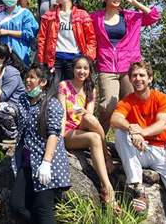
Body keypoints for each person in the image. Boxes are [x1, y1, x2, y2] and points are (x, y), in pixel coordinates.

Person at [90, 0, 160, 134]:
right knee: (107, 106)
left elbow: (154, 16)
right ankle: (99, 141)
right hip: (106, 67)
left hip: (130, 68)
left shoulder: (130, 16)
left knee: (133, 106)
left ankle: (133, 141)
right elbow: (81, 28)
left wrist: (134, 3)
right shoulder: (95, 17)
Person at [111, 61, 166, 213]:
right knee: (121, 133)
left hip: (162, 152)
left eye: (142, 75)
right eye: (134, 76)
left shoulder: (161, 98)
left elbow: (162, 124)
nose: (138, 79)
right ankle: (138, 189)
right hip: (140, 150)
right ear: (130, 79)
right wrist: (131, 129)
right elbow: (115, 119)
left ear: (150, 79)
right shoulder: (127, 101)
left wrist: (140, 132)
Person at [58, 55, 121, 214]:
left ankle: (105, 154)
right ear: (72, 69)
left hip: (82, 126)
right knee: (94, 137)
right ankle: (107, 187)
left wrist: (85, 111)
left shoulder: (90, 88)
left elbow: (89, 115)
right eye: (78, 67)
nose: (81, 71)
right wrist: (59, 143)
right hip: (68, 132)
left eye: (85, 68)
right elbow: (62, 116)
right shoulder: (63, 86)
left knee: (91, 119)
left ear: (89, 71)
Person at [10, 63, 70, 223]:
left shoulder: (52, 104)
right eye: (27, 77)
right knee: (17, 206)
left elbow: (53, 134)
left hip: (46, 162)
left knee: (42, 208)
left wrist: (46, 163)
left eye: (32, 77)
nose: (27, 80)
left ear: (43, 82)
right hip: (27, 161)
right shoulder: (23, 99)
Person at [38, 0, 96, 84]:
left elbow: (91, 39)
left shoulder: (82, 15)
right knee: (52, 91)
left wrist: (87, 59)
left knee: (73, 92)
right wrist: (41, 62)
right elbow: (42, 39)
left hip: (75, 59)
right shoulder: (49, 15)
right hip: (54, 59)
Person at [0, 0, 38, 66]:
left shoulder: (25, 13)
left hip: (21, 59)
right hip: (3, 60)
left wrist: (8, 32)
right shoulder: (0, 17)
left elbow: (29, 34)